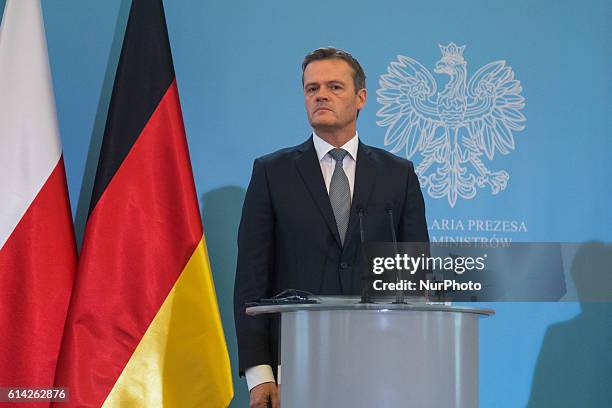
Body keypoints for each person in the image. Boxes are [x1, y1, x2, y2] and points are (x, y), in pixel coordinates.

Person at [234, 47, 429, 408]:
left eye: (334, 87)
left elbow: (416, 279)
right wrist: (260, 374)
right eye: (312, 88)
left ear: (361, 98)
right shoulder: (271, 173)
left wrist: (412, 363)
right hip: (295, 365)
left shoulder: (398, 175)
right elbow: (251, 279)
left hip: (382, 365)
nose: (321, 94)